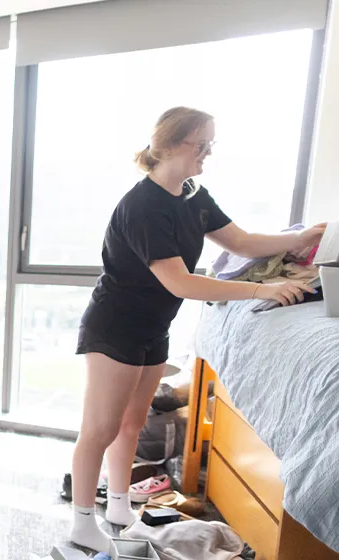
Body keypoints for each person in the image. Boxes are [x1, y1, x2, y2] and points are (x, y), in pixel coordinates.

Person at [70, 107, 325, 551]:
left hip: (154, 326)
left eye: (211, 144)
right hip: (115, 326)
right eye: (199, 144)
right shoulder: (143, 206)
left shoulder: (193, 194)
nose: (207, 153)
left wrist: (301, 238)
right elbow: (180, 281)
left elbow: (242, 242)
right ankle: (81, 521)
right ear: (167, 145)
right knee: (101, 428)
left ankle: (118, 506)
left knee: (132, 423)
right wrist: (260, 290)